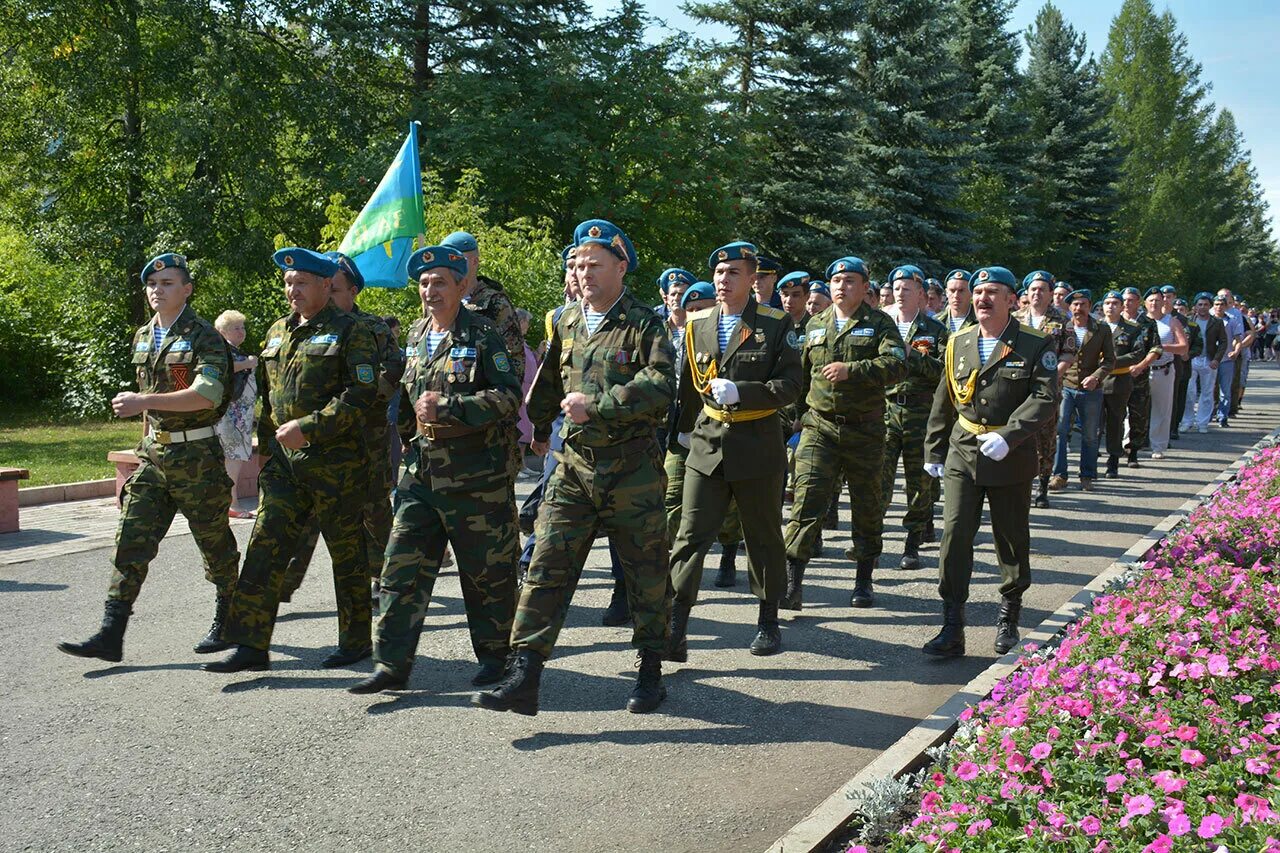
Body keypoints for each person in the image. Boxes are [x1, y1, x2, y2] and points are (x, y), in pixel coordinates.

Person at [472, 219, 676, 716]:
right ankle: (525, 675)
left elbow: (661, 385)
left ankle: (651, 671)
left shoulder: (644, 322)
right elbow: (546, 383)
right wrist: (537, 429)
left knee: (645, 572)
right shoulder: (565, 320)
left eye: (595, 264)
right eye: (579, 264)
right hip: (574, 467)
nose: (584, 273)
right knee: (546, 568)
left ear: (621, 267)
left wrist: (600, 405)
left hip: (632, 470)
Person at [349, 245, 522, 694]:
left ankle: (497, 657)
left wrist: (451, 407)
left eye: (440, 281)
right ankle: (391, 664)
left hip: (475, 477)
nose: (430, 290)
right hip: (421, 473)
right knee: (400, 568)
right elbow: (405, 398)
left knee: (486, 574)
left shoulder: (482, 335)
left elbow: (508, 398)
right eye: (424, 283)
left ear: (461, 286)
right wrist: (406, 433)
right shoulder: (415, 334)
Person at [203, 247, 379, 673]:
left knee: (346, 552)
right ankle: (250, 645)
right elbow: (266, 395)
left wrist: (312, 427)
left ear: (324, 284)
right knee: (265, 544)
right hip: (283, 464)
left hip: (335, 462)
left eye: (301, 282)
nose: (292, 290)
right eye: (288, 283)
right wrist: (266, 448)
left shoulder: (351, 331)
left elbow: (362, 395)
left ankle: (354, 642)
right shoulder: (277, 332)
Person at [58, 253, 237, 663]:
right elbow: (151, 407)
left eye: (169, 283)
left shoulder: (204, 337)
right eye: (153, 285)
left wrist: (142, 401)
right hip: (155, 457)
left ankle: (229, 619)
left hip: (197, 457)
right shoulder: (143, 336)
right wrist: (143, 441)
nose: (158, 290)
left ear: (187, 290)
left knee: (215, 547)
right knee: (130, 541)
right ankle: (110, 633)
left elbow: (206, 394)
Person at [666, 241, 802, 657]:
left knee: (762, 537)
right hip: (706, 444)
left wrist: (743, 392)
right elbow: (689, 389)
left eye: (734, 274)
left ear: (753, 279)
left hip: (756, 444)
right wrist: (682, 435)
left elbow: (792, 386)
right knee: (690, 536)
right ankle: (676, 624)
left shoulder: (775, 325)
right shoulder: (698, 324)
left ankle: (768, 621)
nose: (723, 281)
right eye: (719, 274)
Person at [922, 266, 1056, 658]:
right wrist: (933, 450)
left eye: (992, 292)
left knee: (1010, 538)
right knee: (955, 534)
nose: (982, 298)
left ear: (1013, 300)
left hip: (1009, 455)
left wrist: (1010, 434)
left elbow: (1045, 396)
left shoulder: (1034, 343)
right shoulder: (958, 341)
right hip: (964, 450)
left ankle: (1009, 615)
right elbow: (944, 399)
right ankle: (952, 625)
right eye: (978, 292)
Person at [278, 251, 404, 604]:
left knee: (373, 510)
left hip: (365, 436)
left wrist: (349, 402)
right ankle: (283, 583)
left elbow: (391, 374)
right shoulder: (301, 328)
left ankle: (386, 575)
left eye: (335, 290)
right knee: (305, 514)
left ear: (352, 292)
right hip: (316, 439)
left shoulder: (373, 329)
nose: (329, 295)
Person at [781, 255, 906, 610]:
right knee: (806, 502)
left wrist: (855, 369)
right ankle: (793, 583)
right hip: (819, 428)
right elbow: (801, 375)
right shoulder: (815, 324)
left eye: (850, 281)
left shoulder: (880, 324)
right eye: (836, 281)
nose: (841, 287)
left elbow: (897, 365)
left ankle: (864, 580)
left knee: (867, 506)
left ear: (865, 288)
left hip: (864, 429)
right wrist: (798, 417)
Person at [662, 280, 745, 588]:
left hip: (723, 435)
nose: (694, 314)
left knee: (729, 506)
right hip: (684, 437)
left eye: (701, 309)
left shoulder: (733, 338)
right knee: (670, 500)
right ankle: (671, 569)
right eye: (690, 310)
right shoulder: (679, 341)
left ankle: (728, 552)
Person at [878, 265, 946, 572]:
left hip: (921, 412)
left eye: (907, 289)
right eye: (896, 288)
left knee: (919, 482)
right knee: (879, 479)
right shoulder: (881, 325)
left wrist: (913, 354)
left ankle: (912, 543)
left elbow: (945, 373)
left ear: (921, 294)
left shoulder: (935, 331)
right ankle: (871, 542)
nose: (900, 294)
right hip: (884, 410)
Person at [1017, 271, 1076, 507]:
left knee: (1046, 438)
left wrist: (1050, 377)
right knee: (1019, 436)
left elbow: (1069, 354)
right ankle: (1019, 484)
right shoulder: (1015, 318)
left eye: (1042, 289)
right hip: (1018, 388)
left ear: (1051, 293)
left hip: (1048, 389)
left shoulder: (1063, 321)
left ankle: (1042, 487)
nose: (1037, 293)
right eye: (1033, 289)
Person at [1050, 289, 1113, 490]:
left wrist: (1096, 377)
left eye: (1083, 304)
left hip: (1091, 389)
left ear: (1090, 306)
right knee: (1060, 431)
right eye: (1075, 305)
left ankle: (1087, 475)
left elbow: (1110, 360)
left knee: (1089, 434)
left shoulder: (1101, 329)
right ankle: (1059, 475)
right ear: (1069, 307)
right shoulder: (1062, 327)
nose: (1079, 309)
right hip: (1066, 386)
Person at [213, 310, 259, 519]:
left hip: (241, 415)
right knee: (233, 456)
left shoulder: (236, 351)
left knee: (235, 456)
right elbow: (223, 369)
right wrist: (248, 364)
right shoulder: (222, 351)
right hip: (231, 415)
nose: (241, 332)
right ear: (222, 331)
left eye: (242, 327)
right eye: (236, 328)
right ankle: (233, 503)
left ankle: (230, 501)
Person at [1100, 291, 1144, 478]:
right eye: (1107, 303)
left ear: (1121, 306)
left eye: (1115, 303)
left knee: (1115, 422)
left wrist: (1111, 362)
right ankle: (1088, 465)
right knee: (1093, 424)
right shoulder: (1095, 326)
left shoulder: (1132, 329)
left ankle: (1113, 460)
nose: (1111, 306)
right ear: (1102, 306)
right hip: (1095, 381)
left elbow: (1137, 353)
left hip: (1118, 381)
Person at [1142, 286, 1187, 458]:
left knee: (1162, 409)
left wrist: (1161, 348)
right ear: (1145, 303)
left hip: (1163, 369)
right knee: (1135, 407)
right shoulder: (1139, 321)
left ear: (1163, 302)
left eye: (1158, 300)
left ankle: (1158, 446)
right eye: (1151, 300)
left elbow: (1183, 347)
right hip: (1142, 369)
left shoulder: (1171, 321)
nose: (1154, 303)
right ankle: (1131, 443)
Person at [1121, 287, 1162, 466]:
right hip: (1116, 377)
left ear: (1139, 302)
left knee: (1138, 416)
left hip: (1139, 376)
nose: (1127, 303)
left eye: (1131, 300)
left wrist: (1140, 366)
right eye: (1125, 300)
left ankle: (1133, 452)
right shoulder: (1113, 321)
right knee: (1113, 415)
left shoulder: (1148, 323)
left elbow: (1156, 349)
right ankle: (1114, 452)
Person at [1178, 292, 1227, 435]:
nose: (1203, 307)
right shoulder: (1188, 321)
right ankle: (1186, 421)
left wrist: (1217, 359)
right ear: (1195, 306)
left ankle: (1202, 422)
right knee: (1189, 391)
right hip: (1191, 359)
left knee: (1207, 392)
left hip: (1209, 360)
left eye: (1206, 304)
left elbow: (1223, 342)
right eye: (1200, 304)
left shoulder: (1216, 322)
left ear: (1210, 306)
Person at [1211, 294, 1241, 426]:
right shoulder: (1208, 320)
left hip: (1226, 359)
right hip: (1210, 358)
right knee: (1209, 389)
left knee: (1225, 390)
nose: (1219, 307)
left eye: (1221, 304)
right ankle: (1208, 415)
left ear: (1226, 306)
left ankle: (1222, 417)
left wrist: (1235, 351)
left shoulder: (1232, 320)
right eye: (1216, 304)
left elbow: (1238, 340)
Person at [515, 307, 538, 469]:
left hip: (528, 392)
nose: (528, 326)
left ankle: (521, 464)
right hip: (521, 392)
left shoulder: (524, 343)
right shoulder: (514, 343)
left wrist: (539, 353)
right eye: (527, 322)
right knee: (519, 429)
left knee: (525, 429)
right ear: (521, 322)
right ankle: (518, 465)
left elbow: (531, 364)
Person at [942, 269, 976, 334]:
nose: (956, 295)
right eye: (952, 290)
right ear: (946, 292)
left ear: (971, 293)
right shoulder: (937, 321)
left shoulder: (981, 321)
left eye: (961, 291)